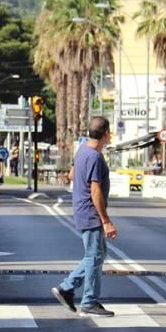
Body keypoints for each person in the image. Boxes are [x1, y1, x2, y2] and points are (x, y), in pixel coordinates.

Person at [51, 116, 118, 318]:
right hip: (90, 213)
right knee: (95, 256)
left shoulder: (83, 151)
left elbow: (71, 175)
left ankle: (68, 288)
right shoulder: (94, 157)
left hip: (83, 210)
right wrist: (106, 221)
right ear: (106, 134)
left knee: (97, 255)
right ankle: (87, 300)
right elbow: (95, 191)